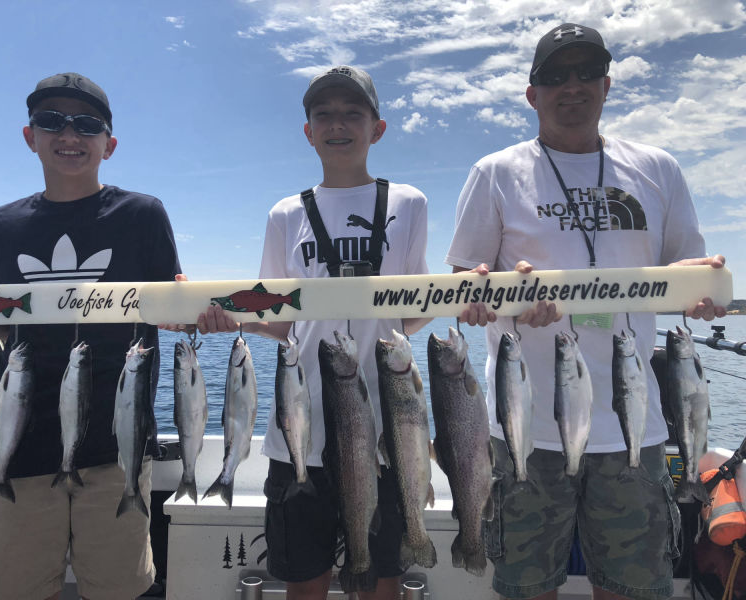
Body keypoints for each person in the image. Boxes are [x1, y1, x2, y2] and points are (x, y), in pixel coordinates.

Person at [446, 23, 726, 600]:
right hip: (526, 433)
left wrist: (704, 290)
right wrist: (500, 297)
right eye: (553, 75)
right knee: (527, 589)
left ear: (607, 84)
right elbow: (462, 286)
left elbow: (689, 274)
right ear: (532, 93)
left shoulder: (658, 168)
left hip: (635, 430)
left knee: (635, 588)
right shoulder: (495, 173)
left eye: (584, 73)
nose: (570, 86)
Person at [195, 65, 430, 600]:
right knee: (305, 585)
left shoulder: (409, 203)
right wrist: (219, 312)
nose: (338, 125)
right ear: (307, 130)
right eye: (324, 114)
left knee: (381, 583)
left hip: (389, 434)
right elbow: (277, 317)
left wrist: (403, 335)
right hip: (299, 437)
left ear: (378, 127)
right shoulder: (284, 213)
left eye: (353, 113)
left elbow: (414, 309)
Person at [0, 73, 181, 600]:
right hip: (15, 449)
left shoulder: (143, 215)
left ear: (108, 144)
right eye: (52, 121)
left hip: (118, 450)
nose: (69, 134)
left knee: (120, 590)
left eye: (86, 124)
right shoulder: (0, 224)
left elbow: (171, 307)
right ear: (30, 136)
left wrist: (204, 313)